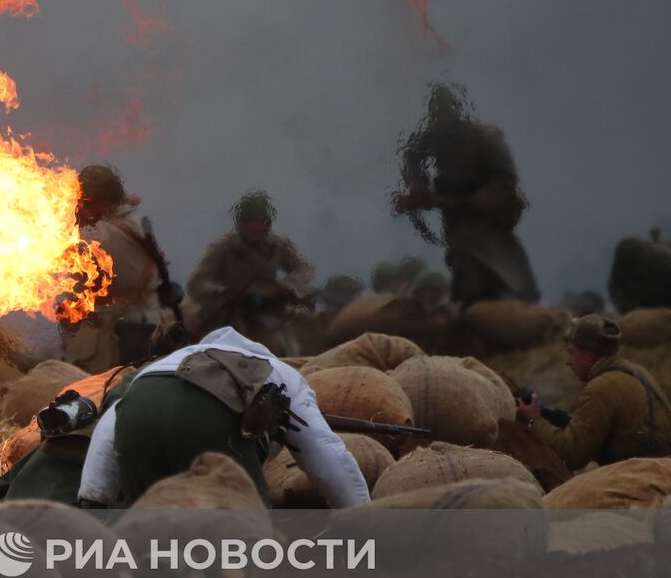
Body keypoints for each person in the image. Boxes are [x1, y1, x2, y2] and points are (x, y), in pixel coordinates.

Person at [78, 326, 371, 509]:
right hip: (204, 418)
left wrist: (93, 494)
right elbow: (330, 460)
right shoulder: (276, 373)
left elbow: (113, 422)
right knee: (245, 535)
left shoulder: (157, 369)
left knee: (151, 538)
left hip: (136, 415)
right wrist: (364, 523)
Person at [390, 83, 539, 308]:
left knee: (503, 267)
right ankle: (473, 304)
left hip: (490, 216)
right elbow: (411, 155)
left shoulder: (483, 138)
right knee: (464, 257)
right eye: (437, 113)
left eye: (446, 112)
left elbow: (505, 177)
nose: (442, 119)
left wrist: (481, 200)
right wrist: (417, 186)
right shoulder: (432, 137)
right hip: (457, 218)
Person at [516, 314, 671, 469]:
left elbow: (572, 454)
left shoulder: (600, 388)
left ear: (589, 354)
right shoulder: (638, 372)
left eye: (571, 352)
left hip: (637, 476)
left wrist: (534, 420)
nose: (568, 361)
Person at [62, 164, 171, 373]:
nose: (80, 208)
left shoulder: (102, 235)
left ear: (103, 202)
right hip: (148, 320)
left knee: (90, 379)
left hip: (128, 330)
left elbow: (79, 280)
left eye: (85, 202)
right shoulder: (129, 220)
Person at [186, 190, 315, 356]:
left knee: (285, 348)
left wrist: (286, 288)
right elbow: (198, 282)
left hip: (268, 314)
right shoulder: (223, 248)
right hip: (229, 317)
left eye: (262, 222)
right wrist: (224, 291)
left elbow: (304, 268)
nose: (257, 227)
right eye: (251, 222)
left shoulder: (277, 246)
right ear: (241, 223)